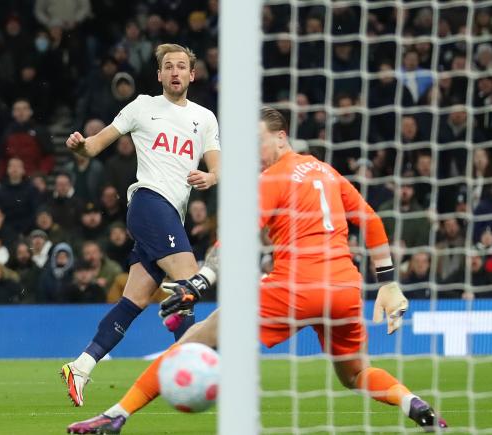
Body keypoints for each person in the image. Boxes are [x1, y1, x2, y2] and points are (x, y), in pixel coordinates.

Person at [66, 107, 446, 434]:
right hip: (345, 291)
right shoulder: (326, 172)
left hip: (295, 287)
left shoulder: (272, 179)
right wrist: (389, 283)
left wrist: (200, 281)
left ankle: (116, 416)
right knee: (355, 375)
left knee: (194, 340)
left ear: (281, 137)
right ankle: (413, 403)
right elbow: (371, 220)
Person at [60, 44, 220, 407]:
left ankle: (80, 366)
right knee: (189, 275)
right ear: (159, 75)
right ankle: (192, 365)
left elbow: (217, 164)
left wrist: (212, 177)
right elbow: (95, 146)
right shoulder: (142, 107)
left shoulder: (205, 118)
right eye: (169, 67)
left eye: (182, 66)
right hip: (149, 202)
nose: (176, 72)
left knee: (134, 300)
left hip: (170, 215)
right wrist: (80, 146)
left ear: (192, 75)